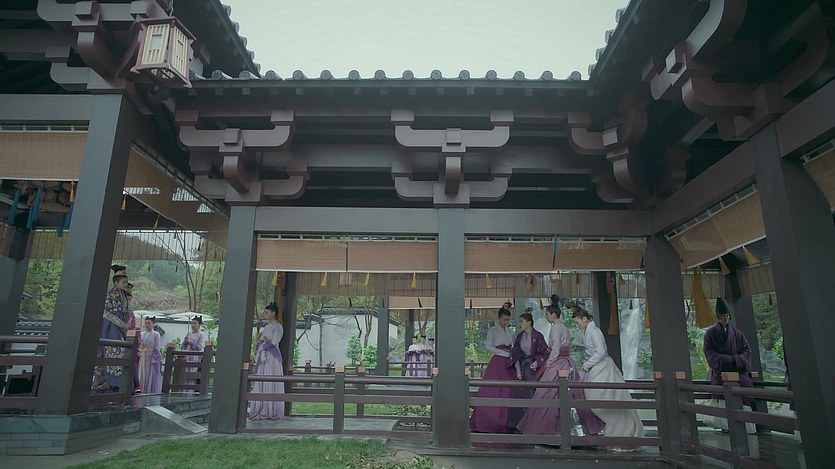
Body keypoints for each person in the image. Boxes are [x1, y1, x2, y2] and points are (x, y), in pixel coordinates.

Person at [517, 295, 605, 436]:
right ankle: (576, 429)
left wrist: (548, 364)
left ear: (553, 314)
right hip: (567, 362)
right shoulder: (564, 327)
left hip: (558, 362)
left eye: (547, 315)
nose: (546, 317)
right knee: (573, 394)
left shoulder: (555, 328)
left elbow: (556, 349)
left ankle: (546, 429)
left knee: (545, 393)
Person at [573, 307, 645, 446]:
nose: (577, 325)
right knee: (599, 399)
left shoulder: (594, 331)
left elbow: (600, 352)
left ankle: (621, 434)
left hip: (603, 367)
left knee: (602, 398)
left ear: (585, 319)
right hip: (597, 367)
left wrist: (587, 364)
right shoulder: (590, 331)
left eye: (578, 322)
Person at [702, 299, 756, 433]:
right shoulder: (710, 334)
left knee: (743, 401)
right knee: (724, 403)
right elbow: (710, 354)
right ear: (718, 317)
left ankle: (744, 429)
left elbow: (747, 351)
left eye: (727, 316)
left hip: (739, 375)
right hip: (722, 376)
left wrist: (736, 360)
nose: (725, 319)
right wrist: (731, 360)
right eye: (722, 316)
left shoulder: (737, 334)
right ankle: (727, 429)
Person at [470, 304, 517, 433]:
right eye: (504, 319)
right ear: (499, 318)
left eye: (508, 320)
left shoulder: (510, 332)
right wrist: (504, 353)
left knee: (508, 390)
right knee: (494, 390)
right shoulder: (493, 330)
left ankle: (507, 422)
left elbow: (513, 346)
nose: (506, 322)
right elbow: (488, 347)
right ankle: (490, 421)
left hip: (509, 362)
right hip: (498, 362)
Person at [507, 309, 550, 430]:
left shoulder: (538, 336)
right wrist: (518, 370)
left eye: (522, 321)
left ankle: (534, 421)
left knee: (532, 391)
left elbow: (545, 352)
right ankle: (520, 423)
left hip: (533, 366)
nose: (520, 324)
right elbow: (515, 353)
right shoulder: (519, 336)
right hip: (522, 365)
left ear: (529, 323)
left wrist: (537, 362)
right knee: (521, 393)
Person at [93, 274, 130, 392]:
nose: (126, 284)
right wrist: (122, 324)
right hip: (110, 327)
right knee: (113, 351)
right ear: (116, 283)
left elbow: (126, 312)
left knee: (119, 352)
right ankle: (108, 382)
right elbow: (108, 313)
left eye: (126, 282)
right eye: (123, 282)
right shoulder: (111, 295)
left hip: (120, 326)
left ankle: (116, 383)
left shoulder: (123, 295)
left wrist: (125, 324)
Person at [249, 303, 286, 420]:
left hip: (272, 358)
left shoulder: (278, 327)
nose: (266, 314)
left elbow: (274, 342)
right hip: (264, 355)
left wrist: (265, 344)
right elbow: (261, 340)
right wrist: (261, 344)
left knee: (271, 380)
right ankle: (261, 408)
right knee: (262, 380)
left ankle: (272, 409)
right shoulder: (267, 327)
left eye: (267, 312)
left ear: (273, 313)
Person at [182, 315, 206, 393]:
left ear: (199, 325)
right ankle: (185, 390)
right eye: (192, 323)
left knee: (192, 374)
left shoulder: (201, 335)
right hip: (188, 356)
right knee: (185, 374)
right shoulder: (189, 333)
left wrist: (191, 342)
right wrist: (185, 342)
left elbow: (199, 347)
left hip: (195, 357)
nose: (193, 325)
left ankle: (191, 391)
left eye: (195, 323)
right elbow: (183, 346)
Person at [138, 316, 162, 394]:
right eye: (145, 323)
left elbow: (157, 348)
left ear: (153, 324)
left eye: (149, 323)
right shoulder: (142, 334)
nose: (147, 325)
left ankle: (149, 391)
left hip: (151, 357)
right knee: (142, 374)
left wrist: (154, 358)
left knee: (150, 374)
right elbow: (139, 346)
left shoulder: (156, 334)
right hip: (143, 356)